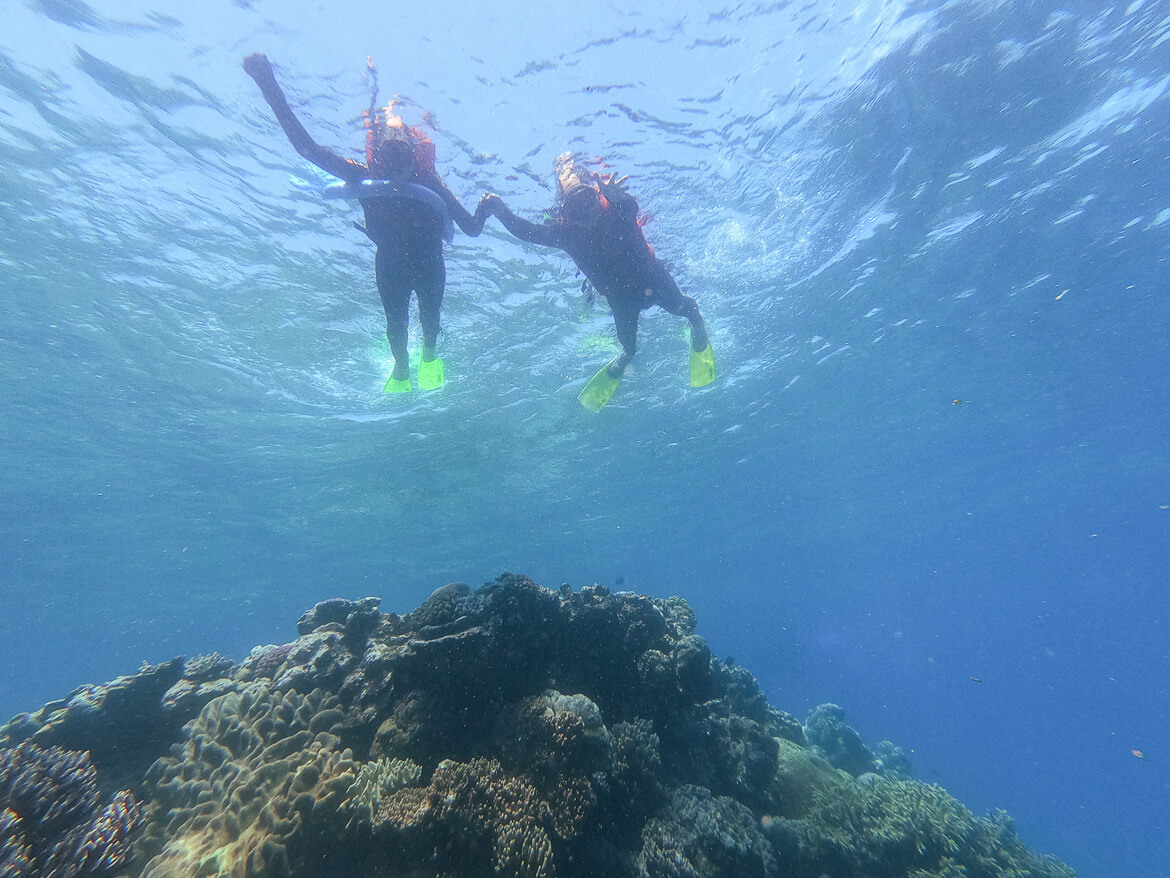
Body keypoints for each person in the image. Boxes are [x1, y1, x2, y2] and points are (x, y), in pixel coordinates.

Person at [243, 53, 487, 391]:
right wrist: (267, 83)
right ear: (379, 157)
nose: (398, 166)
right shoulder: (363, 177)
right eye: (390, 156)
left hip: (430, 263)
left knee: (430, 325)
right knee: (395, 328)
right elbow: (307, 149)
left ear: (416, 155)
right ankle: (401, 369)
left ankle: (429, 357)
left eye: (404, 155)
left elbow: (471, 229)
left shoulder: (431, 184)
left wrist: (490, 209)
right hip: (390, 264)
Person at [481, 153, 714, 411]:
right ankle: (626, 357)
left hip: (651, 276)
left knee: (685, 309)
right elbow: (529, 232)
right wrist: (501, 212)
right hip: (620, 297)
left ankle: (697, 323)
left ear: (597, 195)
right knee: (629, 346)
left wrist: (618, 197)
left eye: (587, 200)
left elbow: (631, 207)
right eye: (575, 207)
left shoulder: (617, 206)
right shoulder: (564, 232)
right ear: (565, 211)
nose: (585, 213)